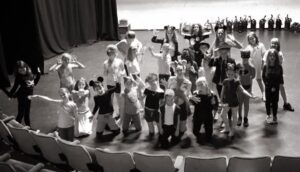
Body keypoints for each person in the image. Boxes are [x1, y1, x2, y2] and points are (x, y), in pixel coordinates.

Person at [220, 64, 253, 137]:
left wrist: (250, 95)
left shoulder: (237, 82)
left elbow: (243, 90)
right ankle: (227, 127)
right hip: (226, 102)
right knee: (222, 115)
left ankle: (232, 130)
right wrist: (221, 100)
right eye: (228, 74)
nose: (230, 75)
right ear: (226, 73)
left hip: (234, 102)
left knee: (235, 117)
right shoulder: (225, 81)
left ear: (234, 73)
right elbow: (222, 92)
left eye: (231, 74)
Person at [263, 38, 294, 111]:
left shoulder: (279, 53)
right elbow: (264, 63)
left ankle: (285, 103)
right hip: (269, 74)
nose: (274, 44)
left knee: (281, 87)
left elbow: (280, 64)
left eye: (276, 43)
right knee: (269, 88)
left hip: (277, 74)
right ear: (270, 44)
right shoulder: (267, 52)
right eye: (272, 43)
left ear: (278, 45)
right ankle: (270, 102)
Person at [7, 61, 41, 127]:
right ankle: (15, 127)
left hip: (29, 96)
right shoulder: (19, 77)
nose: (22, 71)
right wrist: (10, 95)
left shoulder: (30, 74)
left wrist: (39, 74)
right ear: (17, 70)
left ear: (26, 67)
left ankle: (28, 126)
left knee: (27, 112)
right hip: (22, 96)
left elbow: (35, 83)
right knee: (21, 113)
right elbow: (15, 86)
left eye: (23, 69)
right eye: (20, 70)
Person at [190, 77, 218, 143]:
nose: (199, 87)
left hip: (208, 115)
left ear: (205, 84)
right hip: (198, 114)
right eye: (198, 85)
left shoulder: (212, 94)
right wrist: (190, 98)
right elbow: (190, 103)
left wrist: (214, 104)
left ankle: (207, 135)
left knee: (209, 135)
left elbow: (215, 106)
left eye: (201, 85)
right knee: (195, 132)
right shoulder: (195, 94)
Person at [103, 44, 126, 119]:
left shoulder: (119, 61)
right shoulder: (105, 63)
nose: (111, 55)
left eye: (113, 53)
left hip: (117, 83)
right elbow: (105, 74)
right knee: (110, 99)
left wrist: (120, 74)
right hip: (110, 83)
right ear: (108, 54)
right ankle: (111, 112)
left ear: (116, 53)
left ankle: (120, 113)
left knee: (119, 98)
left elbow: (124, 71)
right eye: (109, 54)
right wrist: (106, 71)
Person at [262, 49, 283, 124]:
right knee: (267, 102)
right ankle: (268, 115)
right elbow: (263, 77)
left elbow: (280, 78)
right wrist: (267, 85)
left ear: (276, 57)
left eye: (273, 56)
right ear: (268, 57)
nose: (272, 57)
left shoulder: (279, 67)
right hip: (268, 87)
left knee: (275, 102)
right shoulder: (265, 66)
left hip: (275, 88)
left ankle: (274, 115)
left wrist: (275, 87)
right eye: (270, 56)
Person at [236, 50, 256, 127]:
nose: (245, 60)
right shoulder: (238, 65)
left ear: (248, 58)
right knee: (239, 104)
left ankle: (245, 118)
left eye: (246, 58)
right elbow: (236, 75)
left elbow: (252, 78)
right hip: (239, 88)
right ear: (241, 57)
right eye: (243, 58)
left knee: (246, 104)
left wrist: (250, 90)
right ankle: (239, 117)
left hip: (247, 88)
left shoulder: (251, 67)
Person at [143, 73, 164, 139]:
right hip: (147, 110)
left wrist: (160, 111)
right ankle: (152, 135)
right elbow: (141, 98)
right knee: (151, 128)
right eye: (149, 82)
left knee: (159, 126)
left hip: (156, 111)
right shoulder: (147, 89)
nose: (151, 83)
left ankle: (160, 138)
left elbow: (162, 103)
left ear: (156, 80)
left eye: (153, 81)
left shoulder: (161, 91)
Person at [246, 32, 266, 100]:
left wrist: (263, 64)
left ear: (256, 38)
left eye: (253, 38)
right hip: (251, 65)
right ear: (248, 40)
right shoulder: (248, 47)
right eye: (250, 39)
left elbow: (264, 55)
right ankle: (250, 92)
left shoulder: (261, 45)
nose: (252, 40)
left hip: (259, 65)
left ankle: (263, 94)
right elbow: (246, 57)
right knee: (250, 79)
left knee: (259, 79)